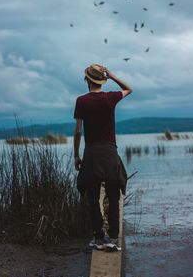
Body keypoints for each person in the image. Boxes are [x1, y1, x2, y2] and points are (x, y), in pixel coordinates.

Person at [73, 64, 132, 251]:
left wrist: (76, 155)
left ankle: (99, 236)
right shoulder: (110, 98)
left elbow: (77, 132)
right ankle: (113, 237)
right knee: (114, 196)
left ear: (87, 81)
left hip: (91, 153)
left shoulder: (81, 101)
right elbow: (129, 89)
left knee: (92, 197)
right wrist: (113, 75)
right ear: (102, 80)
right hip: (109, 153)